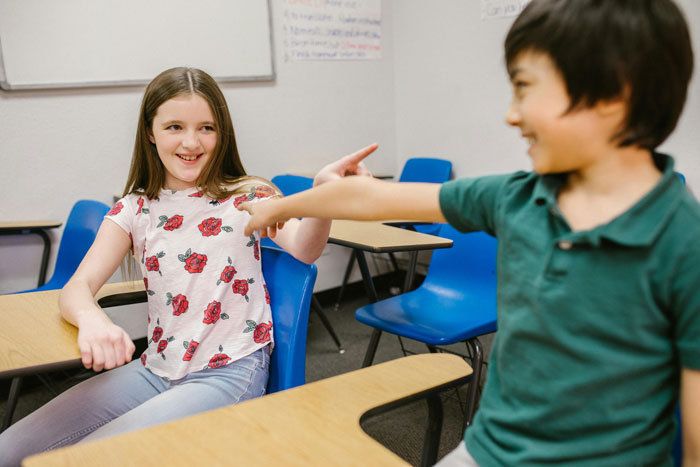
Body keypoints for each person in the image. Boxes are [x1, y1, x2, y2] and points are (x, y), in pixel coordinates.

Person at [239, 1, 700, 465]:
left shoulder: (683, 242)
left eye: (524, 89)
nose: (511, 115)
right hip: (491, 451)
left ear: (613, 91)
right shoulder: (516, 198)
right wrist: (280, 207)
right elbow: (368, 199)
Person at [0, 67, 375, 466]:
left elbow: (304, 248)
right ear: (151, 131)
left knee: (95, 458)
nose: (192, 142)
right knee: (10, 449)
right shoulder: (134, 208)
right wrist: (93, 321)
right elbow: (75, 288)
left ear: (222, 132)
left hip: (229, 372)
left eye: (207, 128)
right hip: (155, 369)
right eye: (175, 126)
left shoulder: (249, 195)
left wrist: (324, 199)